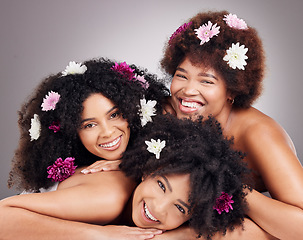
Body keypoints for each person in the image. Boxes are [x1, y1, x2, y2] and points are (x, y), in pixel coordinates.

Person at [160, 10, 303, 239]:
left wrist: (229, 184)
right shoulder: (171, 111)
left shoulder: (259, 134)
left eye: (206, 81)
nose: (187, 90)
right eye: (182, 76)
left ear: (232, 91)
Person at [0, 114, 249, 240]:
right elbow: (4, 215)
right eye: (162, 186)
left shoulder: (152, 215)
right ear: (147, 172)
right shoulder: (109, 198)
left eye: (180, 207)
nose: (158, 209)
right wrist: (102, 236)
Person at [4, 57, 168, 238]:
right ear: (73, 133)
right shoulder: (109, 194)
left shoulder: (130, 169)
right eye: (89, 125)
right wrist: (100, 235)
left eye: (114, 115)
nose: (107, 132)